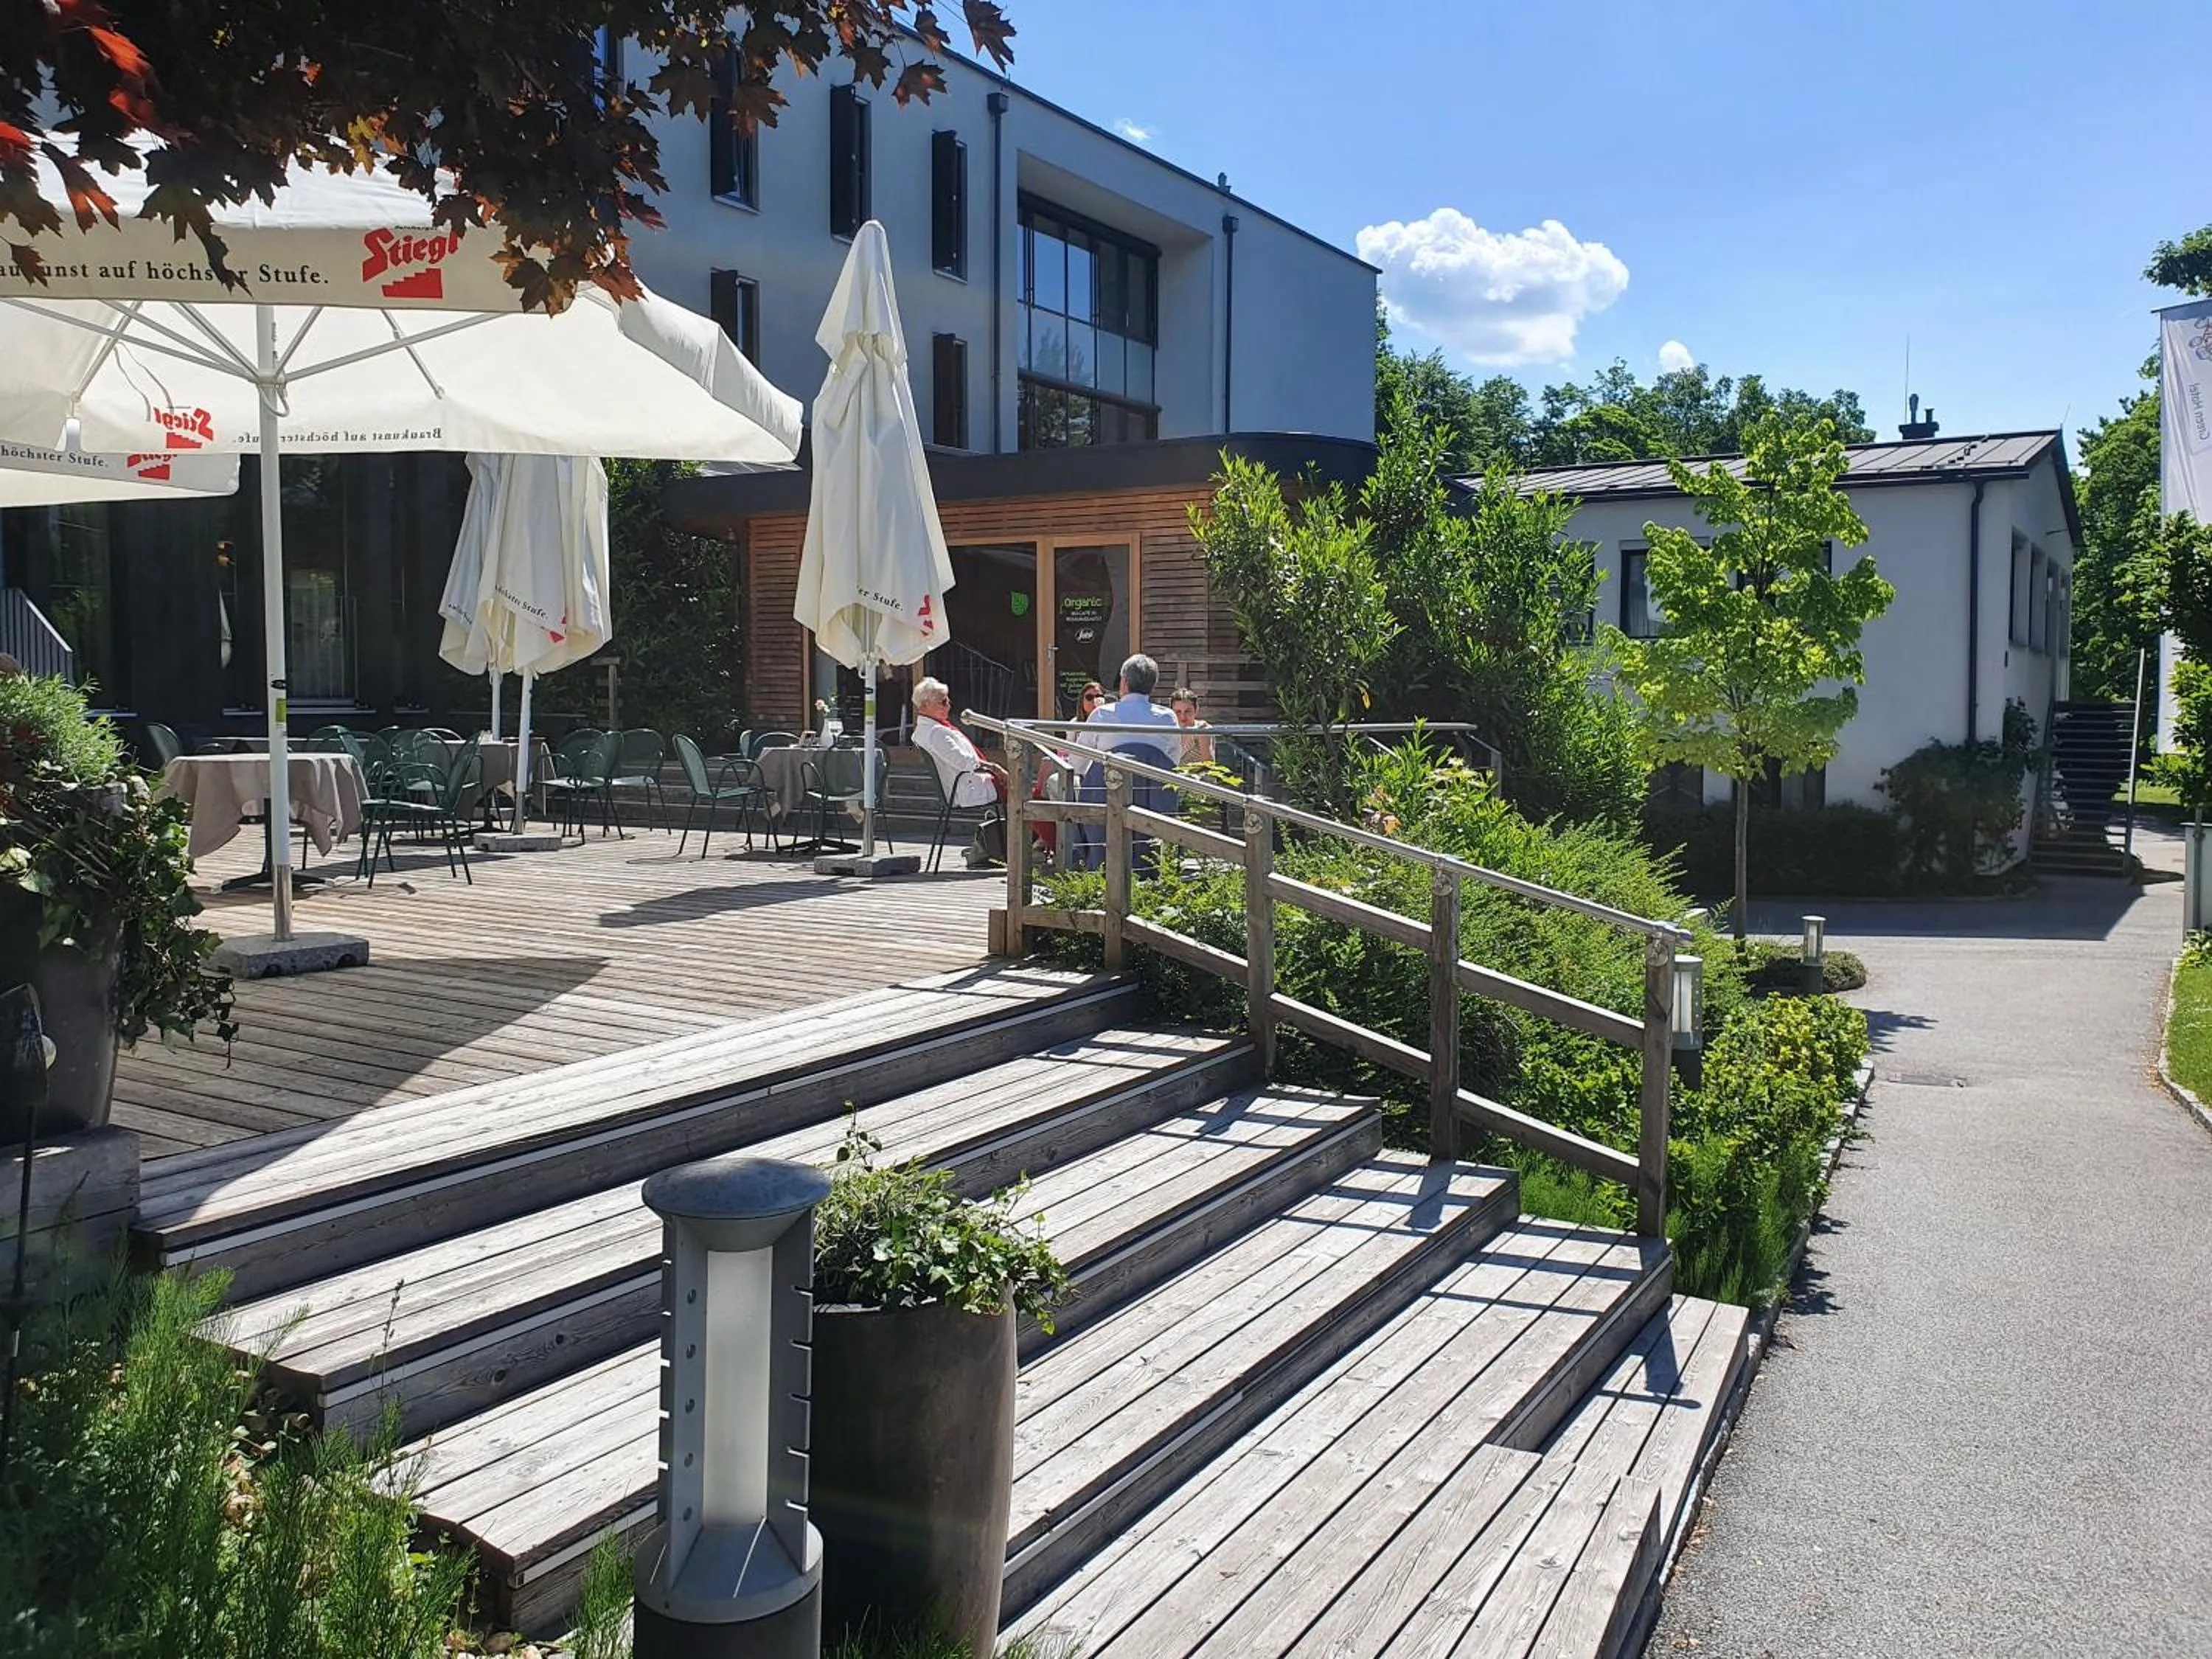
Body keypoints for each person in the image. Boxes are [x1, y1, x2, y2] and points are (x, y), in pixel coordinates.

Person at [1170, 686, 1215, 766]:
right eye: (1178, 712)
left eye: (1188, 711)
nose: (1183, 717)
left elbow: (1209, 765)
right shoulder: (1167, 730)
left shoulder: (1202, 729)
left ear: (1196, 710)